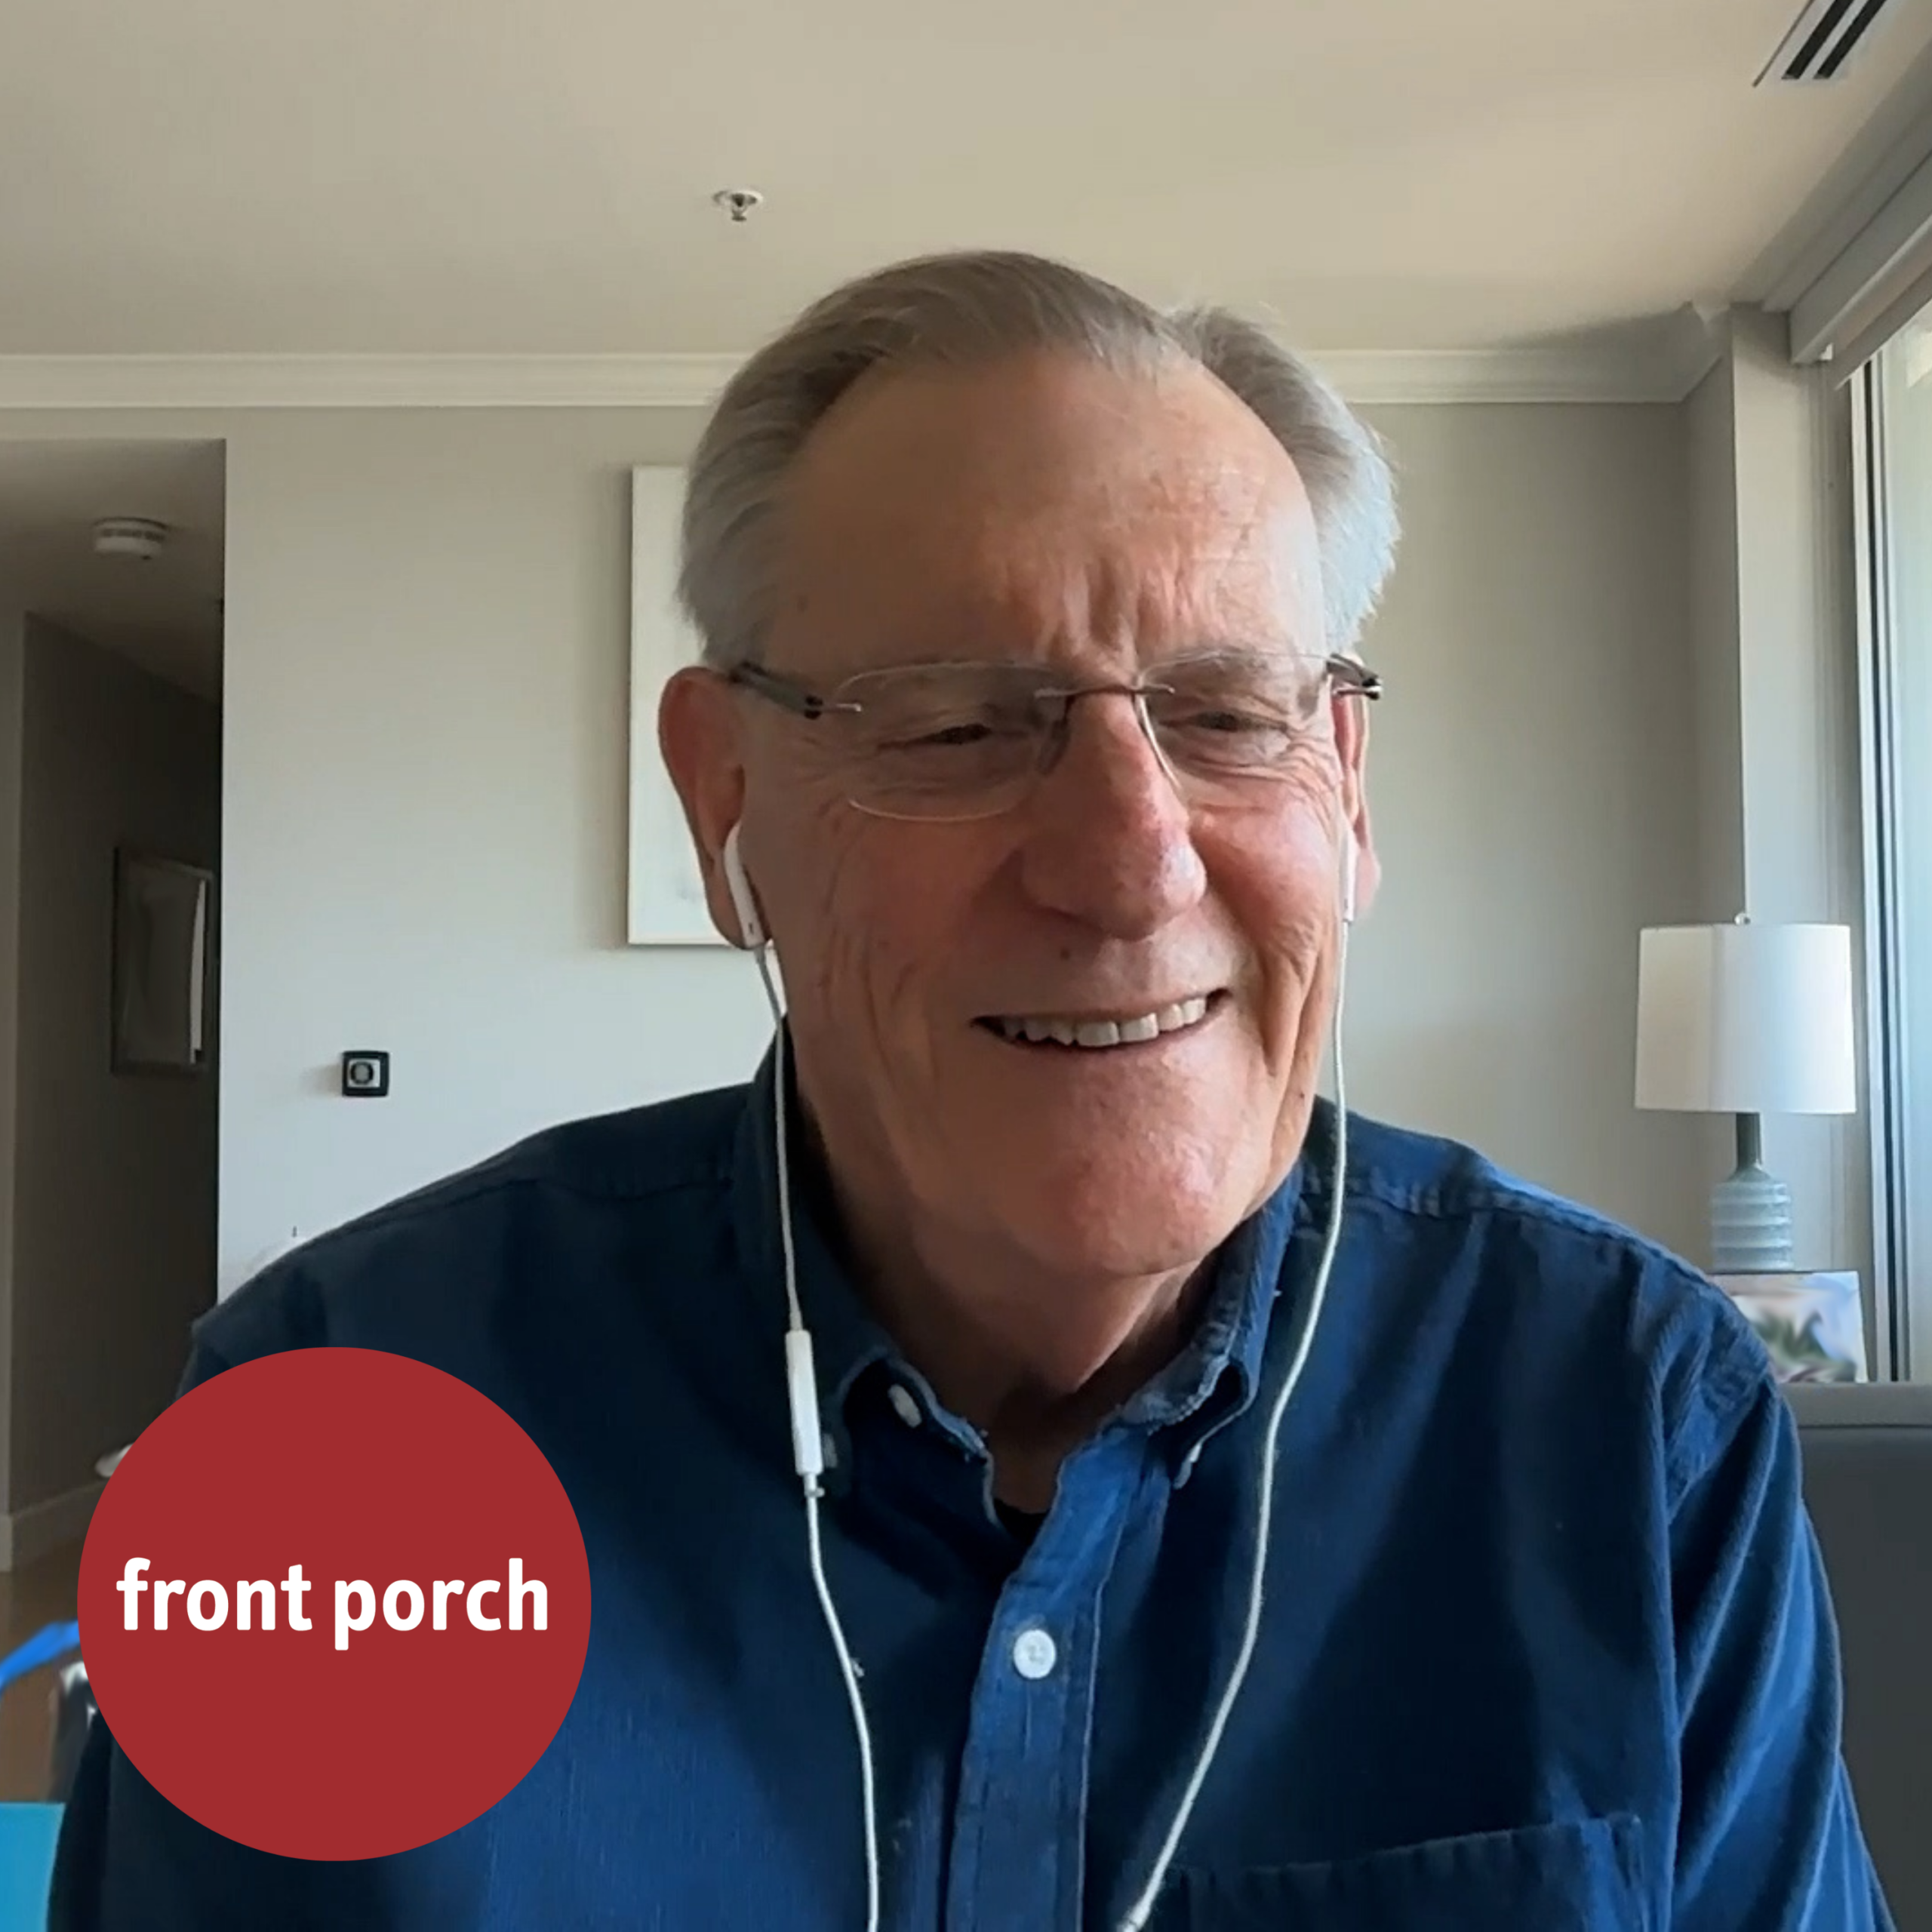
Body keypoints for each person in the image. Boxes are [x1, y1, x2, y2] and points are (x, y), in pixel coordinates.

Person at [54, 250, 1890, 1930]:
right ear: (723, 807)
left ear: (1343, 785)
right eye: (955, 722)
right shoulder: (328, 1436)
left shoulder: (1626, 1421)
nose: (1128, 860)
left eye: (1227, 713)